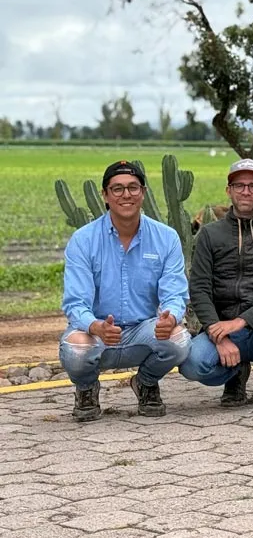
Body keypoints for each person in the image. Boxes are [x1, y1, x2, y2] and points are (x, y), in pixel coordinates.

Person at [59, 161, 190, 422]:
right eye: (117, 189)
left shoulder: (166, 237)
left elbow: (175, 292)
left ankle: (146, 382)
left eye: (133, 187)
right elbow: (75, 303)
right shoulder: (83, 240)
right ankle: (86, 389)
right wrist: (95, 326)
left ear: (143, 192)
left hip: (143, 329)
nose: (126, 195)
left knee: (180, 341)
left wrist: (171, 317)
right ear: (105, 195)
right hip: (97, 333)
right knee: (74, 349)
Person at [179, 159, 253, 411]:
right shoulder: (210, 234)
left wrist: (242, 321)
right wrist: (216, 332)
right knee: (192, 364)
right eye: (239, 185)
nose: (246, 191)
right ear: (229, 190)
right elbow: (199, 288)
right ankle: (235, 373)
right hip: (223, 328)